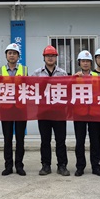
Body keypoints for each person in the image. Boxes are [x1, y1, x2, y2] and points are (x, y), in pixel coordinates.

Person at [32, 45, 69, 176]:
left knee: (61, 140)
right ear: (44, 57)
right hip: (43, 112)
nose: (50, 58)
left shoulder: (63, 73)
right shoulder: (37, 73)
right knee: (45, 140)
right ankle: (46, 165)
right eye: (48, 56)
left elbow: (68, 91)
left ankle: (62, 165)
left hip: (59, 112)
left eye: (53, 56)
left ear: (56, 58)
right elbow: (32, 90)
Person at [72, 50, 100, 177]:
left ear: (91, 63)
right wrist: (73, 79)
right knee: (80, 141)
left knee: (95, 141)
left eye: (87, 61)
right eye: (83, 61)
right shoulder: (75, 77)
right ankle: (80, 167)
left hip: (94, 113)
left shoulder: (98, 76)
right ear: (79, 63)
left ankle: (96, 166)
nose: (85, 63)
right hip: (79, 113)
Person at [0, 43, 28, 176]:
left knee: (20, 139)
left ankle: (19, 165)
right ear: (6, 55)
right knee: (7, 139)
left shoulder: (25, 70)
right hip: (5, 108)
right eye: (9, 53)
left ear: (18, 56)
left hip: (21, 108)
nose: (12, 55)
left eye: (14, 53)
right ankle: (8, 166)